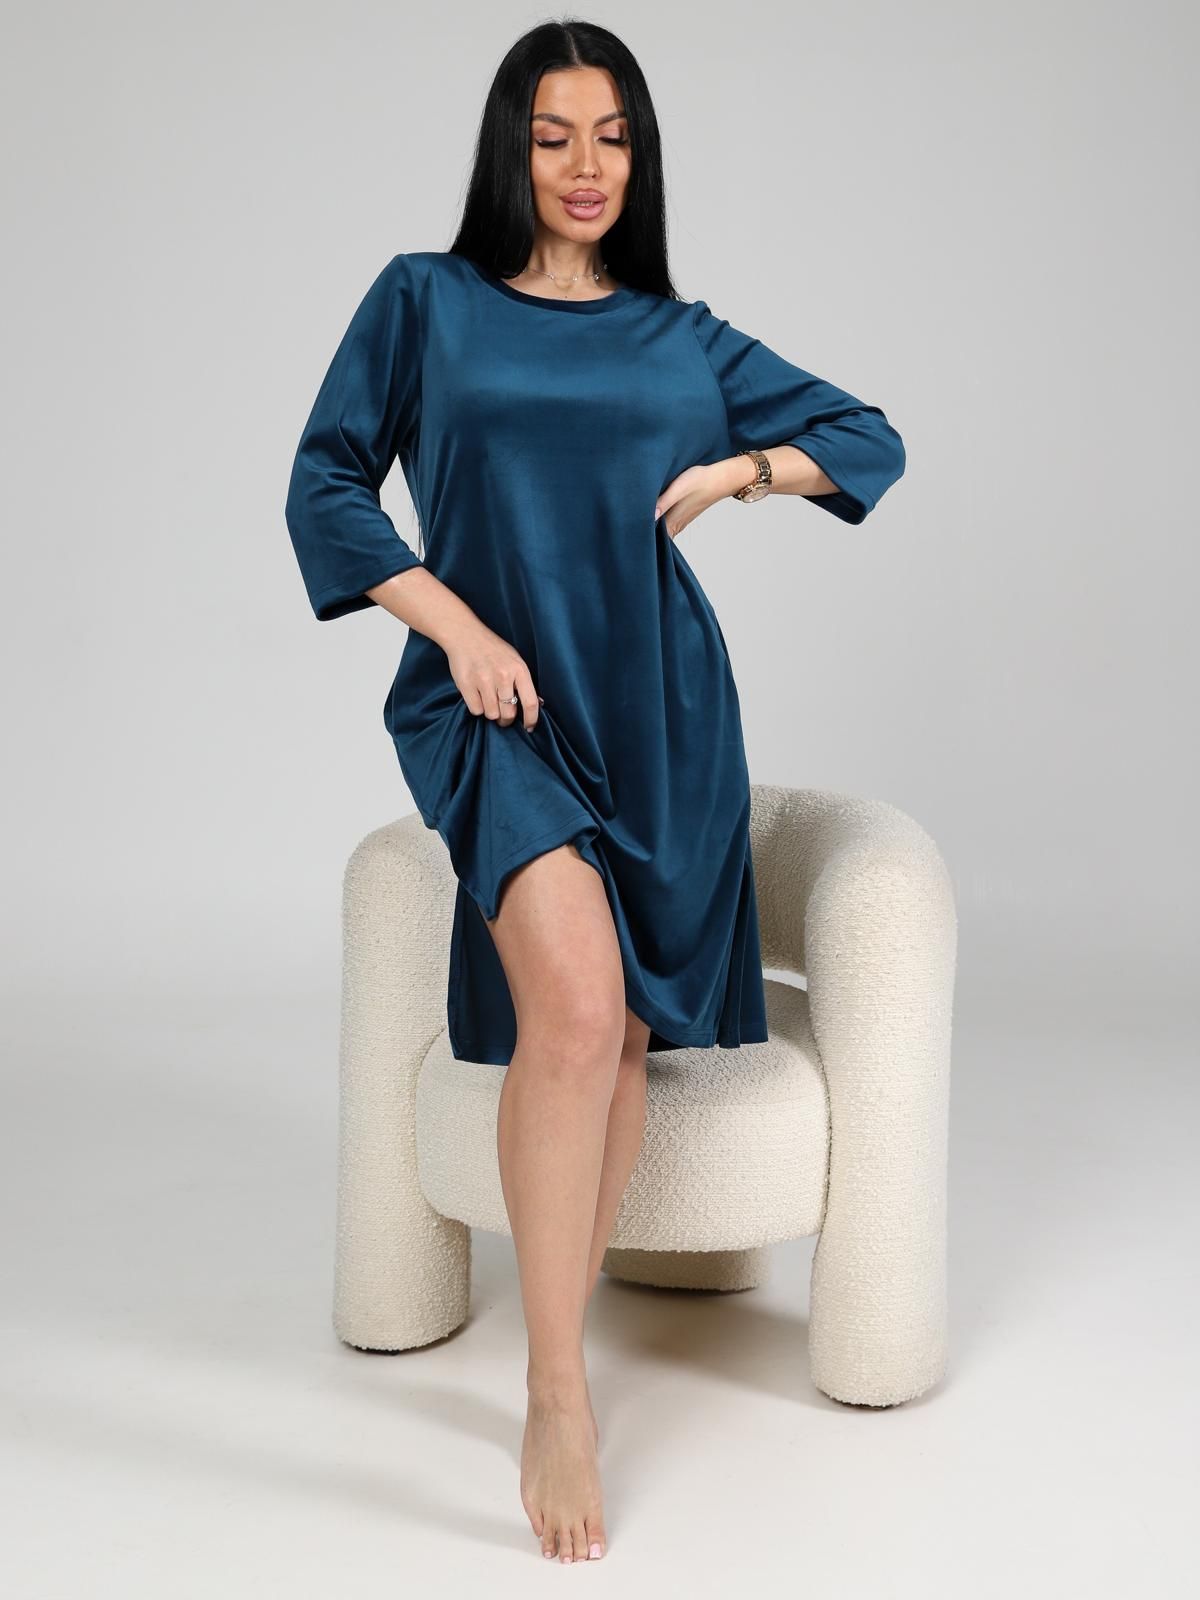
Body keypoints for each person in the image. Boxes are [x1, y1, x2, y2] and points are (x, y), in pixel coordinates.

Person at [284, 18, 905, 1567]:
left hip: (661, 718)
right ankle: (557, 1391)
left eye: (613, 136)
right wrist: (454, 625)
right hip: (493, 702)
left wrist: (741, 472)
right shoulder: (425, 300)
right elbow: (325, 481)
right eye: (554, 134)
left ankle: (559, 1331)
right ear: (512, 148)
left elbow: (866, 437)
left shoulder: (679, 340)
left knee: (619, 1029)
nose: (584, 165)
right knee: (573, 1009)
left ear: (641, 157)